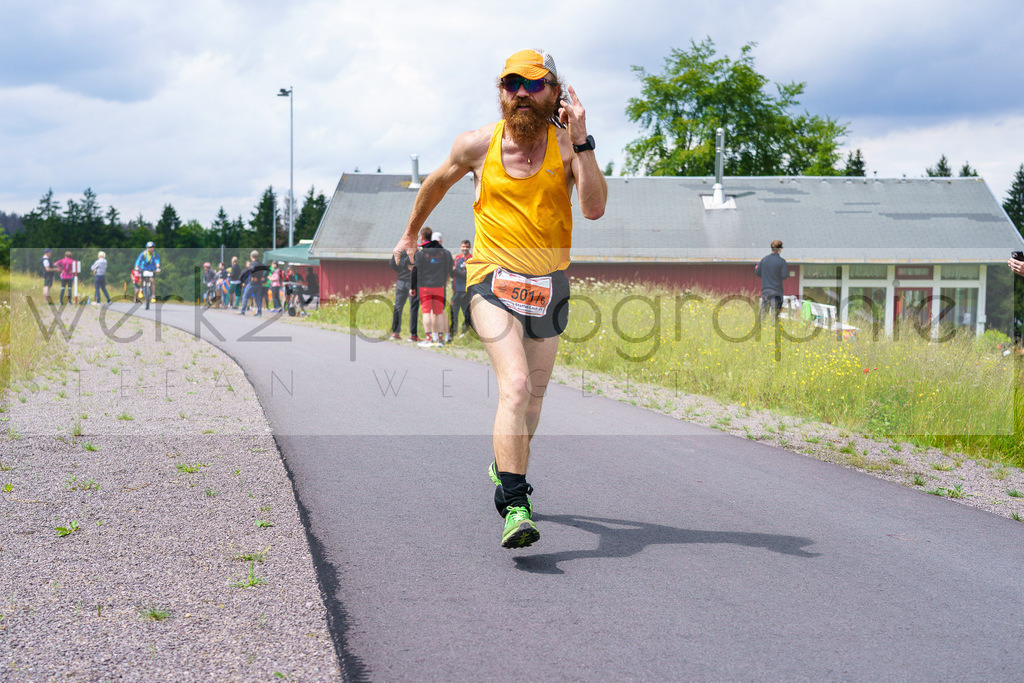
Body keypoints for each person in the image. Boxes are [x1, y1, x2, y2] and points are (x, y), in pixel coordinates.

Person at [392, 49, 607, 548]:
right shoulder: (477, 145)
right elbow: (436, 182)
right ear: (501, 91)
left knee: (531, 403)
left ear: (555, 92)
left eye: (533, 86)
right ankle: (516, 504)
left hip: (549, 285)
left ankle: (502, 463)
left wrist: (582, 140)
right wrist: (410, 234)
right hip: (492, 280)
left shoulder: (568, 146)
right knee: (512, 386)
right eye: (512, 84)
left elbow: (593, 208)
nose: (521, 95)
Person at [411, 226, 454, 347]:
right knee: (439, 312)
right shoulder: (443, 252)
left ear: (421, 237)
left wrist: (412, 287)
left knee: (426, 312)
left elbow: (415, 270)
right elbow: (448, 268)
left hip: (425, 286)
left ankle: (429, 339)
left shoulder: (421, 253)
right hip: (439, 286)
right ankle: (440, 340)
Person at [389, 250, 421, 341]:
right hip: (412, 282)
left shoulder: (399, 252)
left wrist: (400, 270)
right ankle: (413, 334)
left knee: (398, 307)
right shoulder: (416, 252)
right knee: (413, 308)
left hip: (400, 282)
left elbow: (392, 264)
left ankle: (395, 332)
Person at [754, 240, 788, 318]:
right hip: (777, 291)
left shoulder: (764, 260)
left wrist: (766, 277)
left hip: (766, 290)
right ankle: (774, 329)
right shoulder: (782, 261)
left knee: (763, 313)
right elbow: (784, 275)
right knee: (775, 315)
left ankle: (760, 328)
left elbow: (757, 272)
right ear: (780, 249)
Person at [451, 239, 473, 337]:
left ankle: (464, 333)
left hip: (466, 291)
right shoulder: (456, 258)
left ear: (469, 247)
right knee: (453, 312)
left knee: (466, 313)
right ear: (461, 247)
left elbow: (467, 274)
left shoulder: (472, 258)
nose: (465, 249)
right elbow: (451, 273)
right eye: (463, 247)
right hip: (456, 290)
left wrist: (456, 271)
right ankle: (453, 332)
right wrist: (456, 272)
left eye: (467, 247)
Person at [239, 250, 269, 316]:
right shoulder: (261, 263)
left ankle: (243, 311)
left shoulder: (252, 264)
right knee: (258, 298)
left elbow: (252, 270)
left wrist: (253, 276)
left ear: (251, 256)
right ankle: (259, 312)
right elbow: (268, 270)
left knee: (245, 296)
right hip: (259, 283)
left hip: (253, 282)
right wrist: (263, 277)